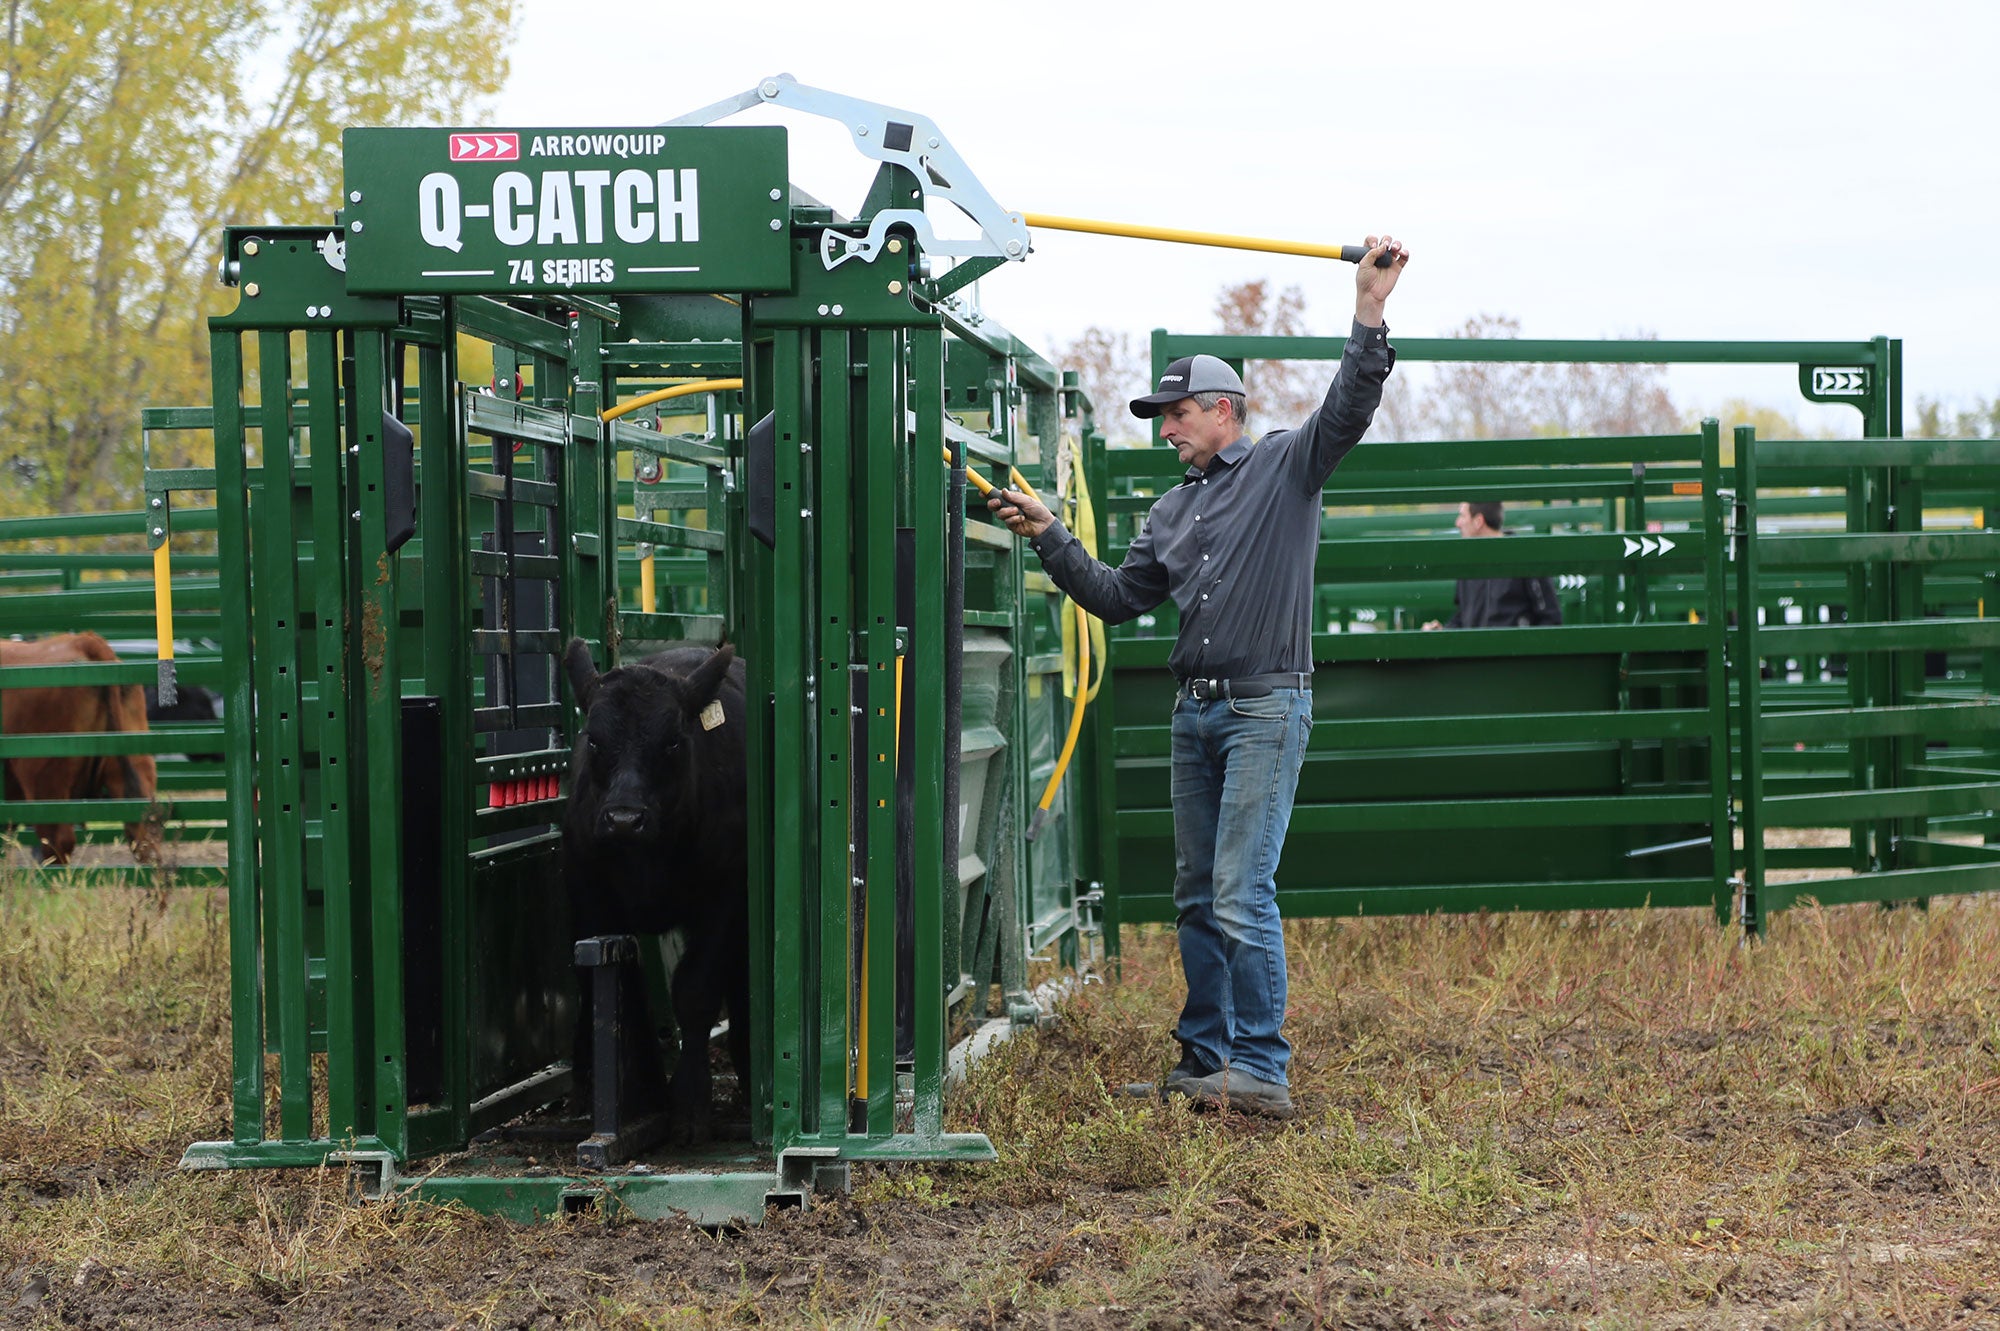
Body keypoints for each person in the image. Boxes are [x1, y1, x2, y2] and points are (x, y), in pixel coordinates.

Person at [988, 235, 1410, 1119]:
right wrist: (1050, 535)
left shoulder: (1288, 468)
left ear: (1223, 410)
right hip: (1198, 715)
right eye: (1161, 415)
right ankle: (1206, 1058)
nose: (1165, 427)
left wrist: (1368, 311)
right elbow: (1113, 597)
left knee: (1239, 887)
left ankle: (1260, 1064)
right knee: (1196, 893)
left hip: (1265, 705)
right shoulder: (1169, 511)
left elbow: (1348, 406)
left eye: (1176, 413)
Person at [1420, 501, 1563, 630]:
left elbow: (1550, 619)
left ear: (1478, 521)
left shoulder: (1526, 556)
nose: (1457, 523)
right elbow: (1463, 617)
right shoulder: (1466, 562)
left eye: (1462, 516)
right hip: (1476, 656)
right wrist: (1443, 632)